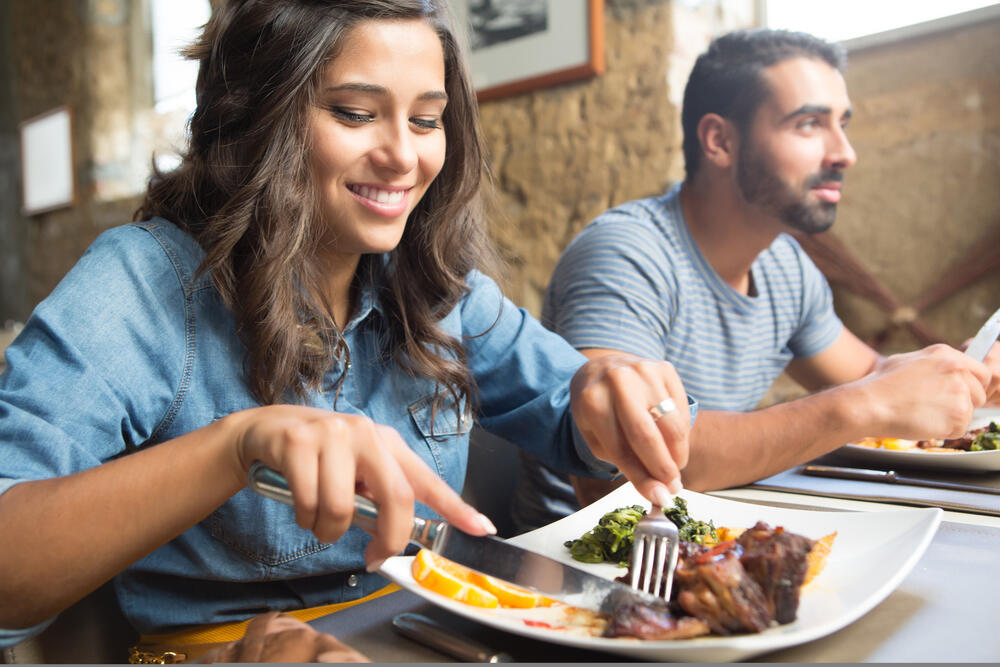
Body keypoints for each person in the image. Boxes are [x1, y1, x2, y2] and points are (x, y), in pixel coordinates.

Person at [0, 0, 695, 659]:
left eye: (427, 121)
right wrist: (236, 447)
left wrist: (605, 395)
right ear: (258, 115)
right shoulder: (140, 282)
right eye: (357, 113)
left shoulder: (435, 286)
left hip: (441, 637)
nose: (403, 155)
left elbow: (574, 416)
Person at [513, 27, 999, 531]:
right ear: (720, 141)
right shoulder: (625, 254)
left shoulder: (785, 265)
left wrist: (969, 373)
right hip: (575, 564)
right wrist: (868, 403)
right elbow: (635, 450)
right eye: (809, 124)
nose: (844, 153)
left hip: (712, 539)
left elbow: (874, 379)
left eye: (843, 124)